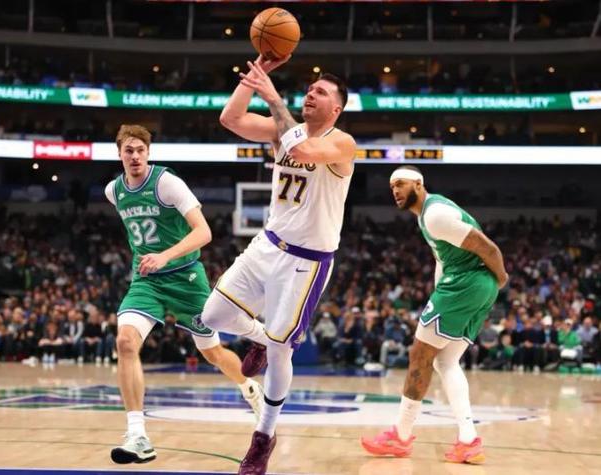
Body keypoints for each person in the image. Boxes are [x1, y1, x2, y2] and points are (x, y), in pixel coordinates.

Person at [200, 56, 356, 474]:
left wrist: (273, 98)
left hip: (307, 262)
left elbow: (302, 149)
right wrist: (257, 75)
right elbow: (230, 118)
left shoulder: (343, 143)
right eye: (309, 88)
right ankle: (260, 339)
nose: (311, 93)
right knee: (212, 316)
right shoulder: (282, 129)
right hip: (267, 244)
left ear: (336, 108)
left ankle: (263, 436)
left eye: (320, 91)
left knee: (282, 348)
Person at [105, 124, 263, 465]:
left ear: (149, 153)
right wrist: (152, 259)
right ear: (119, 154)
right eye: (129, 150)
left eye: (140, 150)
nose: (135, 156)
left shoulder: (166, 182)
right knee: (126, 342)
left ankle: (249, 387)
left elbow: (204, 232)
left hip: (186, 277)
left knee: (213, 353)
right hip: (147, 280)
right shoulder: (113, 191)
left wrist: (165, 255)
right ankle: (137, 435)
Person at [361, 165, 508, 464]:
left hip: (466, 283)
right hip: (476, 286)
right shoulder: (428, 213)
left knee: (419, 356)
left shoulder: (434, 214)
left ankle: (401, 436)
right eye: (392, 187)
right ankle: (468, 440)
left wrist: (502, 278)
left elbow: (488, 248)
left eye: (401, 184)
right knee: (445, 361)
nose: (395, 191)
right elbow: (444, 258)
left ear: (418, 184)